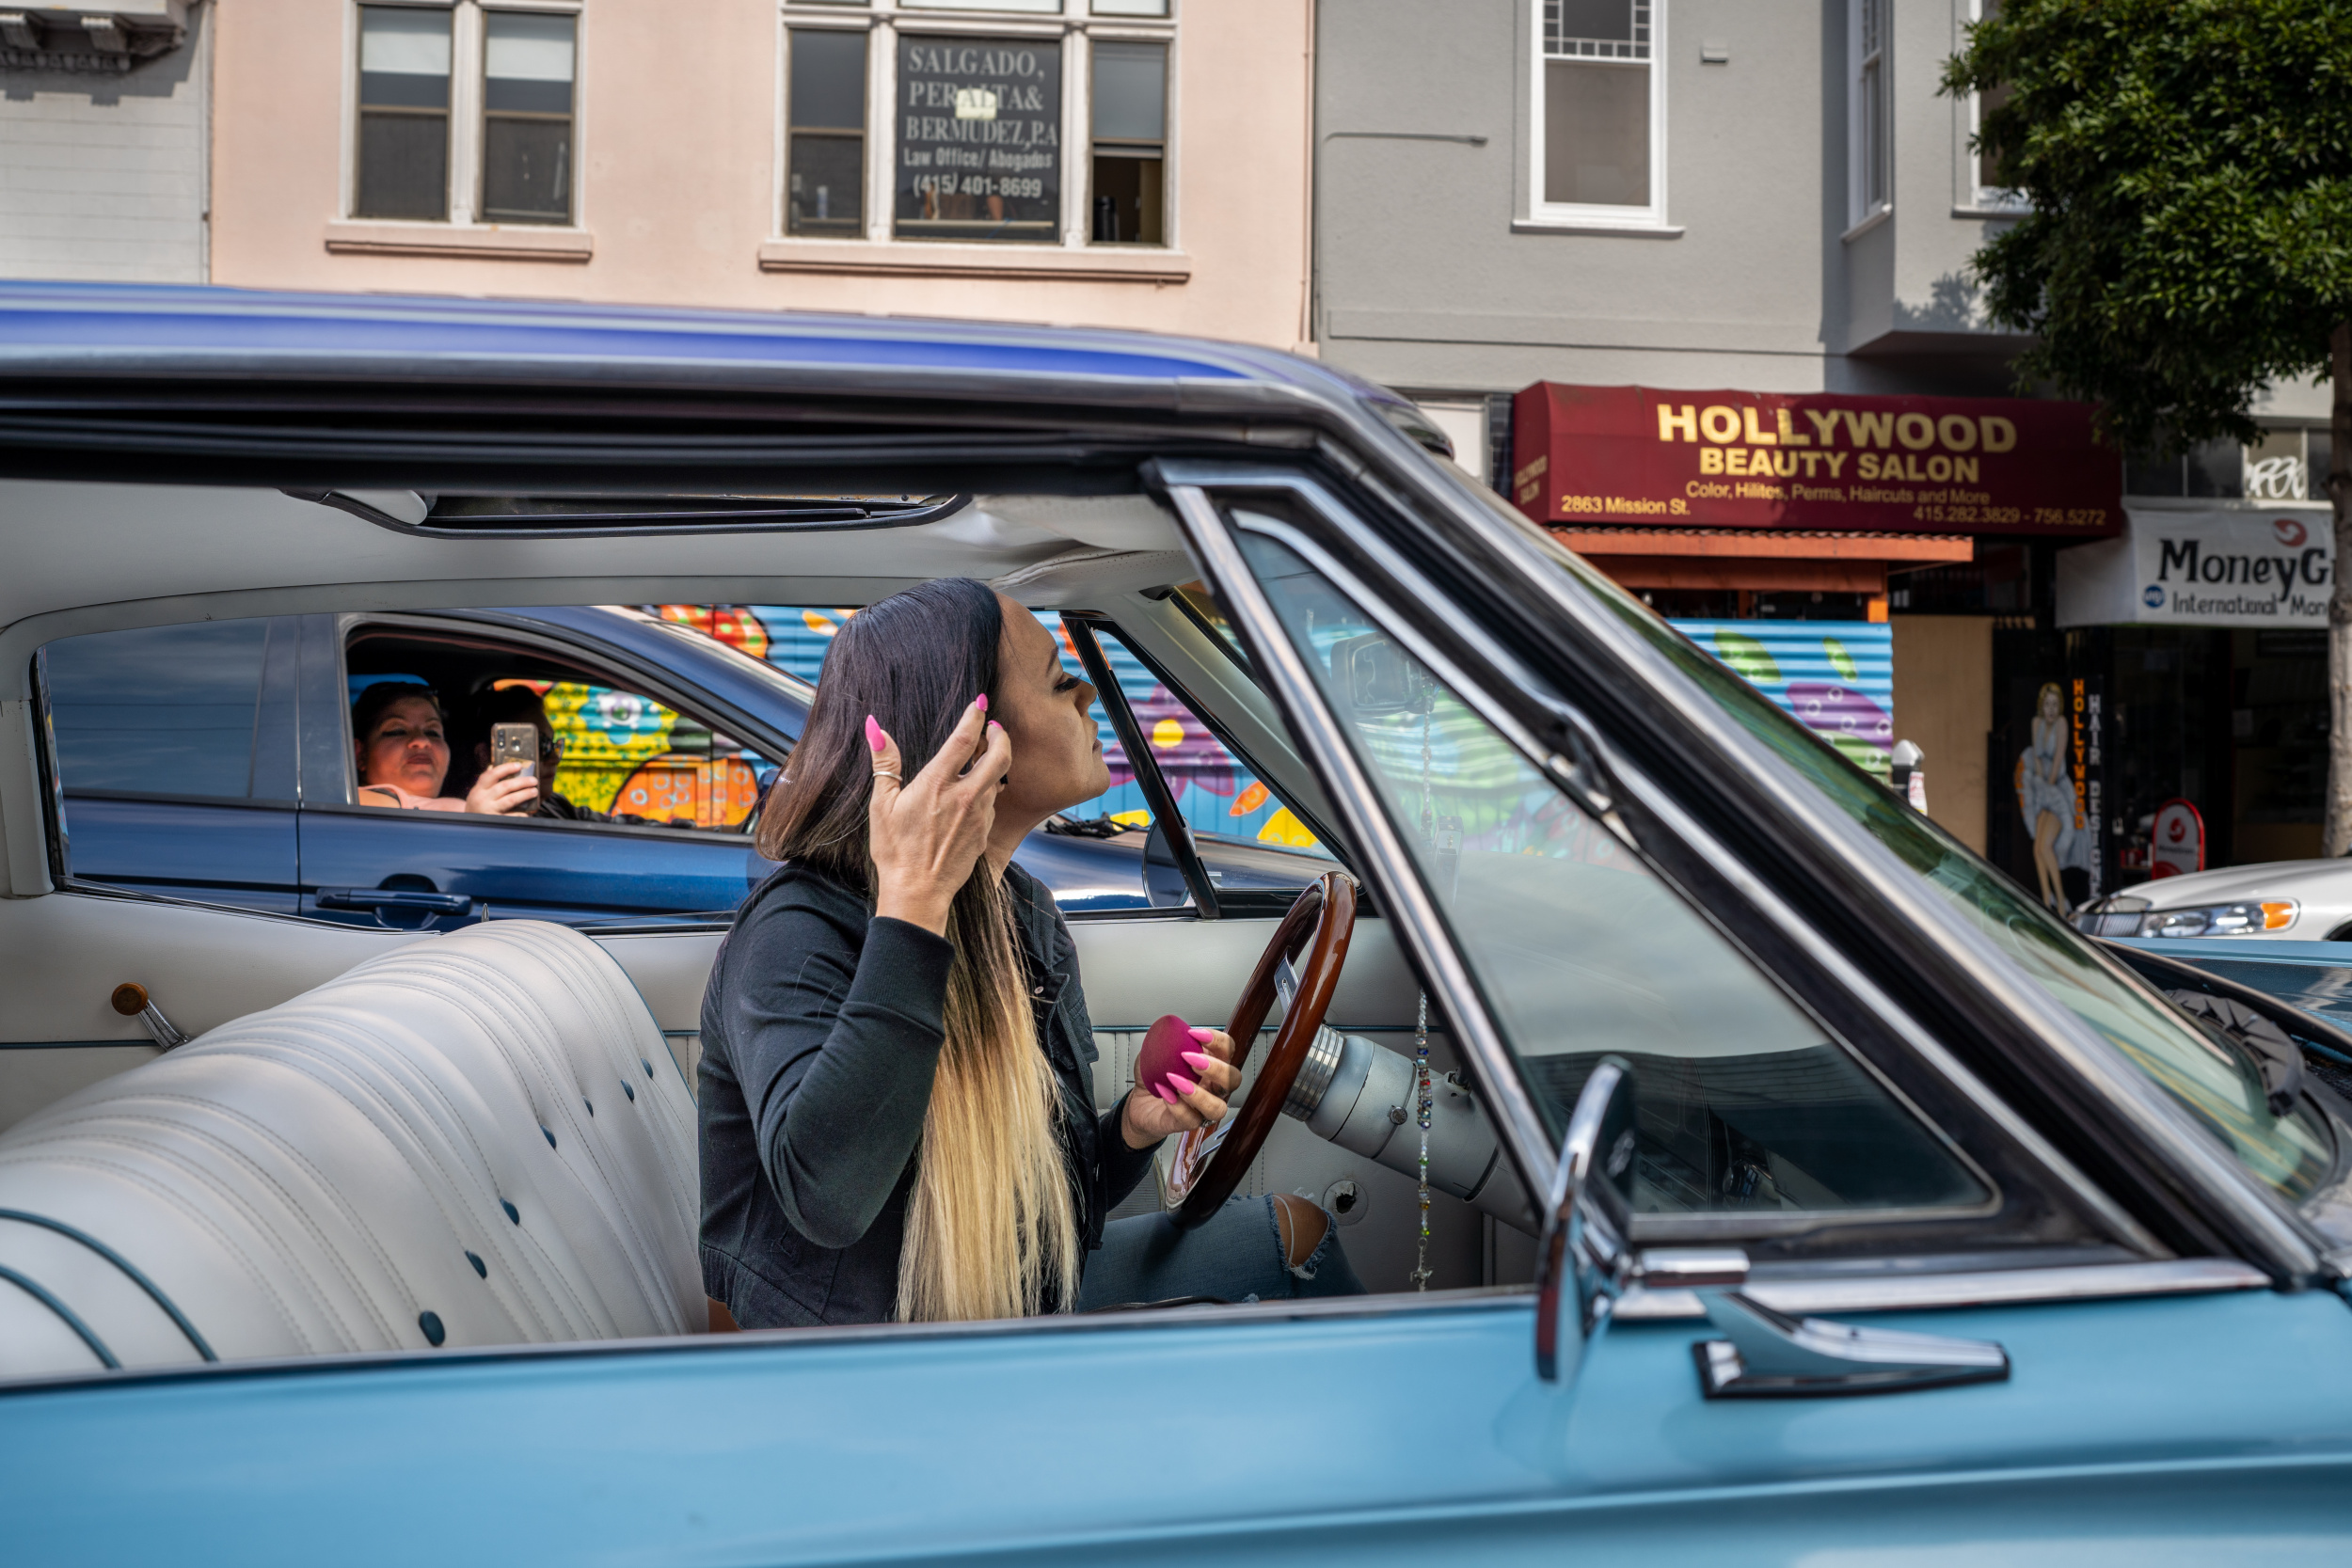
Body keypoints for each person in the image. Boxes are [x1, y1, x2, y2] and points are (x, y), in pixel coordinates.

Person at [698, 578, 1361, 1328]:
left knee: (1295, 1232)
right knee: (1289, 1247)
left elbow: (1050, 1219)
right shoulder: (793, 929)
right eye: (1057, 679)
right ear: (976, 744)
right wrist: (913, 906)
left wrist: (1132, 1129)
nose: (1086, 692)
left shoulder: (1026, 917)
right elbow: (829, 1198)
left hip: (1009, 1310)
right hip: (867, 1360)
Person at [351, 682, 538, 816]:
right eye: (398, 731)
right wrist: (476, 823)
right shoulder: (354, 801)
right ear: (359, 754)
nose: (422, 741)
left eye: (432, 732)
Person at [462, 685, 604, 820]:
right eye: (539, 745)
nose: (555, 759)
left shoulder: (554, 804)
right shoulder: (460, 814)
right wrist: (478, 822)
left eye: (552, 744)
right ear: (484, 755)